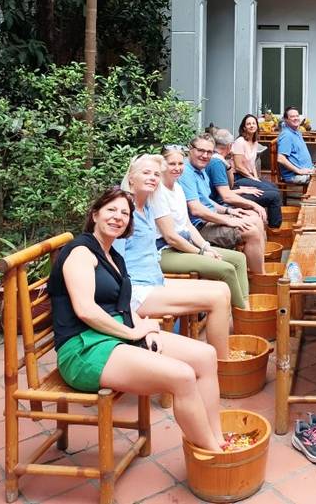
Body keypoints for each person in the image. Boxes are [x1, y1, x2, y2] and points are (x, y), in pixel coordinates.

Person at [47, 187, 225, 451]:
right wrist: (131, 333)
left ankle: (219, 437)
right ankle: (213, 452)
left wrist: (144, 327)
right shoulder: (81, 253)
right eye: (111, 210)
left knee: (206, 356)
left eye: (125, 213)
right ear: (95, 214)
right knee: (183, 376)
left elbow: (123, 305)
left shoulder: (114, 256)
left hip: (114, 335)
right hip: (83, 349)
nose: (118, 217)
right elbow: (85, 309)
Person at [117, 154, 231, 357]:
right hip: (136, 290)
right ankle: (224, 365)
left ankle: (220, 359)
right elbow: (112, 259)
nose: (153, 177)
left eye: (156, 174)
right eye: (146, 173)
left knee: (222, 289)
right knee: (216, 298)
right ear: (131, 177)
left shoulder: (147, 206)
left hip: (154, 280)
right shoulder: (122, 210)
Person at [154, 146, 250, 309]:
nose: (177, 168)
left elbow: (188, 225)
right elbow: (171, 237)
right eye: (172, 164)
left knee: (239, 259)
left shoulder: (177, 188)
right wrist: (201, 253)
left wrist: (206, 246)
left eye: (180, 163)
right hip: (165, 251)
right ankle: (245, 316)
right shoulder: (158, 193)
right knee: (226, 269)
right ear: (162, 165)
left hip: (183, 246)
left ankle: (244, 309)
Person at [181, 134, 265, 273]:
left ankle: (256, 267)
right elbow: (196, 210)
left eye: (209, 152)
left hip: (211, 219)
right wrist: (227, 220)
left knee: (255, 218)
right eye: (200, 150)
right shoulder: (185, 172)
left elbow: (208, 203)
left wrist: (229, 212)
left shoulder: (201, 170)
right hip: (198, 227)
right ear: (190, 149)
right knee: (251, 232)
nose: (205, 155)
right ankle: (260, 280)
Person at [206, 128, 271, 228]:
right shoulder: (217, 163)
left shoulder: (219, 160)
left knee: (270, 190)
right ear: (230, 146)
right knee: (270, 199)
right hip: (219, 204)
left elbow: (227, 189)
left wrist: (241, 188)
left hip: (222, 198)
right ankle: (275, 231)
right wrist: (253, 204)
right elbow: (225, 195)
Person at [231, 114, 283, 228]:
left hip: (249, 176)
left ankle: (272, 222)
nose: (251, 126)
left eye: (253, 123)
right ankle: (274, 226)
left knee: (274, 187)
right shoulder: (240, 141)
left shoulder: (254, 141)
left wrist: (256, 178)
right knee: (273, 193)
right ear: (244, 127)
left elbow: (252, 164)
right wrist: (253, 179)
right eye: (248, 124)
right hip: (239, 178)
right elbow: (239, 166)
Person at [277, 106, 314, 184]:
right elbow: (281, 159)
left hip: (306, 170)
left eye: (297, 116)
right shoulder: (286, 135)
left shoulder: (296, 131)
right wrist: (299, 171)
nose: (296, 118)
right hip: (295, 175)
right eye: (292, 116)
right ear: (286, 119)